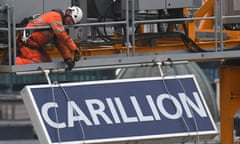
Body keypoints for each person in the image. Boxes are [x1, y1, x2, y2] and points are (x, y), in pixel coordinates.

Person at [15, 6, 83, 71]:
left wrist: (67, 58)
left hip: (35, 45)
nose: (69, 23)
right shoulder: (55, 16)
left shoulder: (58, 22)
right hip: (28, 43)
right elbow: (61, 34)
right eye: (71, 20)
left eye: (71, 23)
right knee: (36, 64)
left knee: (47, 63)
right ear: (68, 13)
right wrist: (74, 48)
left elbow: (60, 43)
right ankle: (14, 62)